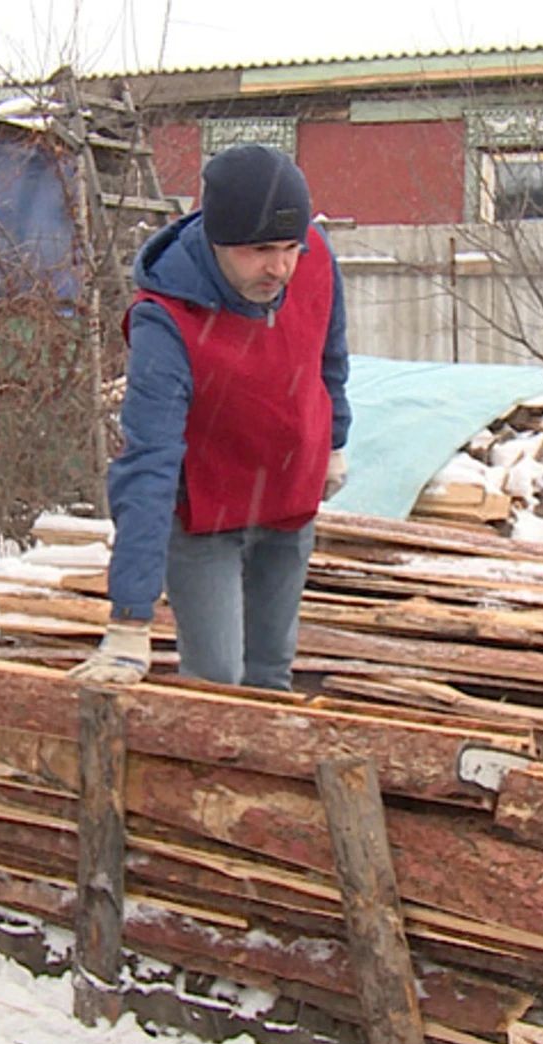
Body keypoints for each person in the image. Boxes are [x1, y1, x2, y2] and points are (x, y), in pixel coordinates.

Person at [69, 144, 351, 691]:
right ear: (218, 240)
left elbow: (329, 355)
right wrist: (130, 617)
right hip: (206, 511)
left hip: (289, 494)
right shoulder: (167, 320)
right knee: (218, 678)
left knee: (270, 673)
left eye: (291, 247)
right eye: (261, 250)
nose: (281, 267)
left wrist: (334, 439)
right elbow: (148, 463)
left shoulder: (314, 259)